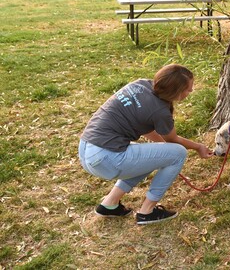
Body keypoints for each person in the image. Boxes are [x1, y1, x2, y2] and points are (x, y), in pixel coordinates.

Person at [78, 64, 213, 225]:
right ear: (175, 91)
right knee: (178, 153)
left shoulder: (140, 84)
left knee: (156, 155)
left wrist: (163, 153)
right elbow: (173, 140)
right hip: (106, 158)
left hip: (87, 148)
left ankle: (109, 204)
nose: (190, 91)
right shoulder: (160, 112)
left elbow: (145, 128)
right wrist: (198, 147)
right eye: (187, 89)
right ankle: (147, 212)